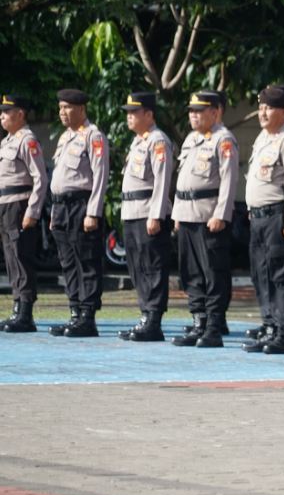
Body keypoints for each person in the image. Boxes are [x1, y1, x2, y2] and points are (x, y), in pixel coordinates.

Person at [169, 91, 239, 348]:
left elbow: (229, 181)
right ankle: (199, 320)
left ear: (215, 112)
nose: (193, 115)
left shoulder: (223, 140)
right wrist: (177, 214)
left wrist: (221, 214)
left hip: (208, 215)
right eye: (191, 111)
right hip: (187, 214)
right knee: (191, 272)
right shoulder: (191, 139)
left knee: (213, 272)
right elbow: (183, 181)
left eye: (199, 110)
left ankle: (214, 325)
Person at [242, 86, 284, 354]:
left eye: (269, 108)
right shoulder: (264, 137)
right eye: (261, 107)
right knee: (261, 273)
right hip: (258, 216)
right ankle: (269, 324)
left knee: (281, 274)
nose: (263, 112)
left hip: (277, 215)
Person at [47, 89, 108, 338]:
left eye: (67, 107)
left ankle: (87, 316)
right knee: (68, 262)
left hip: (81, 206)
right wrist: (54, 212)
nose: (62, 112)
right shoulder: (66, 138)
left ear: (81, 109)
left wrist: (93, 212)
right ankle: (74, 312)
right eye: (60, 107)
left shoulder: (93, 136)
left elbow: (100, 176)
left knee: (86, 261)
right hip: (61, 206)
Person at [116, 92, 173, 342]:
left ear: (149, 114)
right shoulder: (138, 141)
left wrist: (156, 215)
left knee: (152, 267)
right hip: (132, 212)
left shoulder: (158, 141)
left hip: (148, 211)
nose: (129, 117)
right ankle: (145, 315)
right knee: (137, 267)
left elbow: (162, 181)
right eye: (127, 112)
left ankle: (154, 319)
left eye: (134, 112)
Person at [0, 95, 47, 333]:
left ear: (20, 114)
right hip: (6, 205)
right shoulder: (7, 142)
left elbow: (40, 178)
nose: (2, 116)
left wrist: (33, 211)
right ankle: (17, 308)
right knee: (11, 258)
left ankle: (26, 313)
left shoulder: (27, 141)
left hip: (20, 205)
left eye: (7, 112)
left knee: (22, 257)